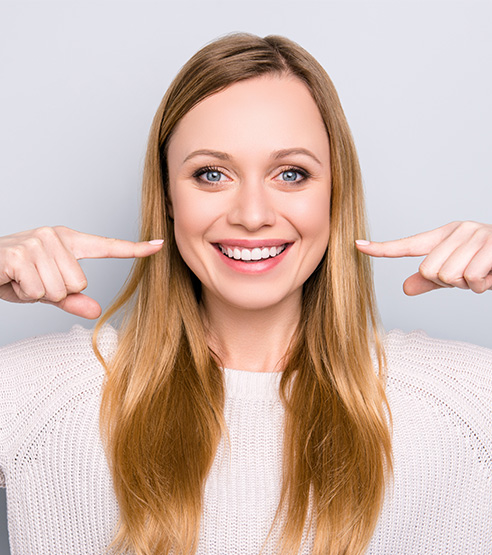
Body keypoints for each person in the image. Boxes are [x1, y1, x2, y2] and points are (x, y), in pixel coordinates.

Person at [0, 32, 491, 555]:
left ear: (334, 192)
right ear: (167, 196)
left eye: (292, 174)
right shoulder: (35, 398)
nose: (252, 214)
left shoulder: (468, 405)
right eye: (212, 174)